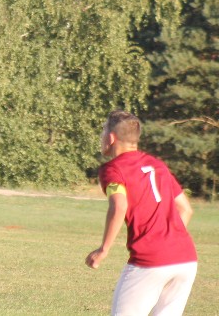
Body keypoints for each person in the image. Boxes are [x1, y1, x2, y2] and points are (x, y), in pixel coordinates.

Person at [85, 110, 198, 316]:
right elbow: (185, 209)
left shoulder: (113, 169)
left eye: (103, 131)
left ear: (111, 137)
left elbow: (119, 206)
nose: (102, 137)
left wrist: (104, 249)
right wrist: (168, 241)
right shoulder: (158, 165)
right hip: (186, 259)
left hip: (150, 261)